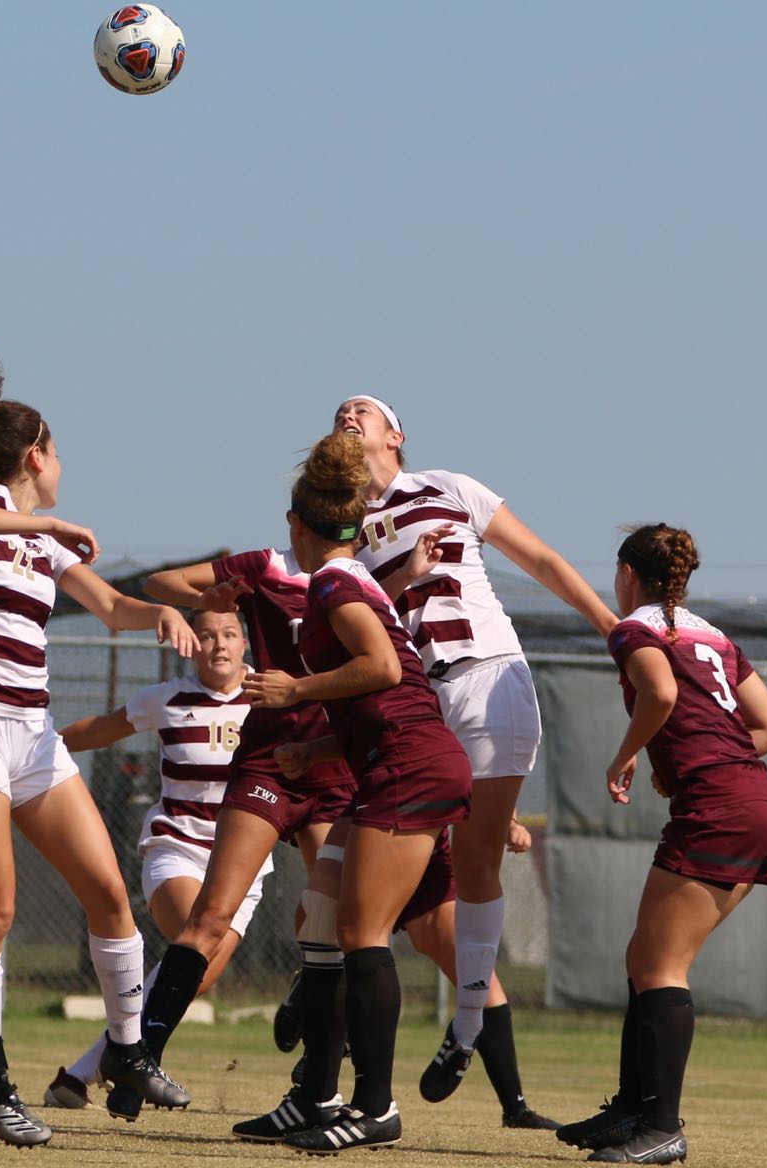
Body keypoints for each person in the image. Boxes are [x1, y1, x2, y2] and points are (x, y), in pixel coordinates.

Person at [0, 315, 200, 1148]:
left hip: (31, 734)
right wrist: (46, 525)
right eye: (57, 454)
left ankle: (128, 1053)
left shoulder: (44, 545)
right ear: (35, 456)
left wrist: (162, 609)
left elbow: (112, 607)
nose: (63, 470)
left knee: (109, 895)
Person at [335, 394, 618, 1103]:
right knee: (359, 883)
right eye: (337, 409)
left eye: (362, 409)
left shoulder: (448, 486)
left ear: (395, 433)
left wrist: (611, 626)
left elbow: (544, 559)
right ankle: (329, 1057)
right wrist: (402, 575)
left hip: (489, 678)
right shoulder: (341, 525)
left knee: (478, 865)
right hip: (417, 705)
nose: (346, 414)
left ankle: (464, 1027)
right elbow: (346, 614)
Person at [238, 431, 473, 1153]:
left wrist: (294, 689)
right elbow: (382, 686)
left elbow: (381, 671)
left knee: (362, 934)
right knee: (318, 917)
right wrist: (320, 742)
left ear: (296, 525)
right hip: (393, 758)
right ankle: (315, 1095)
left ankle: (376, 1106)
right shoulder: (359, 580)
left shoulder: (336, 583)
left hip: (410, 765)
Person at [557, 524, 767, 1166]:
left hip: (719, 809)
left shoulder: (636, 628)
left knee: (662, 967)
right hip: (754, 803)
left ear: (628, 574)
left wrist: (626, 757)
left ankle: (663, 1127)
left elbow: (659, 692)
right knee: (645, 956)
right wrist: (687, 764)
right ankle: (633, 1108)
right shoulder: (713, 635)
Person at [122, 544, 355, 1133]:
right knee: (207, 924)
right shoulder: (264, 567)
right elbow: (161, 576)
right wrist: (204, 599)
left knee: (341, 926)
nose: (221, 642)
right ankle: (137, 1054)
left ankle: (319, 1072)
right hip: (269, 763)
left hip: (329, 760)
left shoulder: (369, 576)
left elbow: (383, 667)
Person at [279, 726, 563, 1134]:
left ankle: (514, 1106)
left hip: (424, 838)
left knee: (473, 974)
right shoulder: (382, 685)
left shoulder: (450, 686)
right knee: (323, 926)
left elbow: (478, 757)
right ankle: (320, 1052)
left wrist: (510, 818)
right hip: (376, 813)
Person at [43, 606, 272, 1108]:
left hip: (247, 860)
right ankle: (114, 1065)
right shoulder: (166, 700)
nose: (218, 645)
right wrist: (36, 747)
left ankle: (85, 1072)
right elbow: (101, 730)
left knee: (198, 979)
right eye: (206, 635)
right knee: (195, 935)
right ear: (188, 643)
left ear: (245, 642)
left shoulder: (273, 695)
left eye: (230, 634)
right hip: (179, 848)